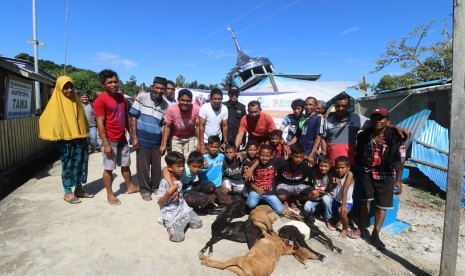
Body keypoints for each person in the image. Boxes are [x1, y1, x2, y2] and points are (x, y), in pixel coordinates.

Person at [351, 107, 404, 248]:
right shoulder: (364, 135)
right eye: (374, 117)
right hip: (368, 172)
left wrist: (398, 180)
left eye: (381, 118)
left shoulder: (395, 136)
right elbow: (358, 155)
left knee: (382, 205)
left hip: (386, 174)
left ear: (388, 120)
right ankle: (361, 228)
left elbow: (400, 158)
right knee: (365, 201)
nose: (378, 120)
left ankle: (375, 233)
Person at [39, 76, 93, 204]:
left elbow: (82, 120)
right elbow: (45, 120)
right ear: (59, 88)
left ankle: (79, 189)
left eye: (71, 87)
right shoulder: (55, 103)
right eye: (65, 87)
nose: (69, 90)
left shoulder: (77, 101)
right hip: (65, 141)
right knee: (68, 166)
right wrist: (57, 133)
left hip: (80, 138)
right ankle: (67, 192)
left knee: (81, 164)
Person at [93, 69, 139, 206]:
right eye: (110, 82)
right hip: (109, 139)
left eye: (115, 81)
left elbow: (125, 118)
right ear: (103, 85)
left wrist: (131, 134)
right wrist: (106, 144)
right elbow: (100, 123)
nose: (114, 84)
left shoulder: (122, 99)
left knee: (126, 164)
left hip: (121, 138)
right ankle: (109, 194)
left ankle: (130, 186)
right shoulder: (100, 101)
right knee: (109, 167)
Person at [129, 76, 168, 201]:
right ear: (153, 87)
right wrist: (134, 137)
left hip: (156, 140)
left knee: (156, 167)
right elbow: (133, 117)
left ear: (165, 89)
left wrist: (163, 143)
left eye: (162, 88)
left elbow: (164, 126)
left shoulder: (165, 105)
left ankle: (155, 187)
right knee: (143, 167)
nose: (159, 90)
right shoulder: (142, 97)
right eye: (157, 87)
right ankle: (145, 190)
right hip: (142, 138)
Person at [156, 152, 202, 242]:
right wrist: (170, 191)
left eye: (182, 166)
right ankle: (166, 222)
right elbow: (160, 202)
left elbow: (167, 168)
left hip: (182, 208)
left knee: (198, 224)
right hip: (171, 212)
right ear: (170, 168)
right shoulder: (164, 182)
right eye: (179, 166)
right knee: (178, 238)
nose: (181, 169)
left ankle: (181, 221)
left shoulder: (179, 175)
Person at [160, 89, 199, 161]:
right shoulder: (171, 109)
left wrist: (199, 143)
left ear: (191, 101)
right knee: (178, 161)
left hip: (190, 138)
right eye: (182, 100)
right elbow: (167, 127)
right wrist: (164, 144)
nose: (185, 103)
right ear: (178, 100)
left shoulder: (196, 109)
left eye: (188, 101)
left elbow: (198, 126)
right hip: (175, 138)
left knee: (189, 161)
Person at [245, 144, 284, 215]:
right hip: (256, 191)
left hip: (269, 192)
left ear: (271, 156)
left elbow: (288, 156)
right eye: (262, 155)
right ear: (258, 155)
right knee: (251, 204)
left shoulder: (274, 162)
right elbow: (247, 181)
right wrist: (256, 188)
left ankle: (263, 208)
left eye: (267, 156)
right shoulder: (253, 164)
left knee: (280, 210)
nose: (264, 158)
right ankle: (257, 207)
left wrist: (285, 145)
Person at [303, 155, 336, 230]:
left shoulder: (332, 175)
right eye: (321, 166)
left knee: (326, 199)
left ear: (330, 166)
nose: (323, 168)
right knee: (307, 208)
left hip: (327, 197)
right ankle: (321, 210)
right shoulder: (314, 172)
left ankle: (328, 218)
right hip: (317, 197)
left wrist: (324, 192)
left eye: (325, 166)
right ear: (318, 165)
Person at [288, 97, 321, 166]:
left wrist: (311, 155)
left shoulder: (318, 118)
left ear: (315, 106)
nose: (308, 107)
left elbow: (318, 138)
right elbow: (297, 136)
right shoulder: (301, 118)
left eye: (310, 104)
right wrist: (286, 145)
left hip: (310, 154)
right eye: (306, 104)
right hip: (300, 153)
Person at [199, 135, 231, 205]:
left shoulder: (221, 156)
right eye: (211, 146)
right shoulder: (203, 158)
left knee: (228, 201)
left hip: (218, 185)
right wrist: (204, 167)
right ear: (208, 146)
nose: (213, 149)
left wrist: (239, 154)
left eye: (216, 147)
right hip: (207, 186)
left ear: (219, 147)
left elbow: (231, 155)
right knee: (208, 201)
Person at [331, 156, 355, 238]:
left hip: (346, 201)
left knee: (343, 213)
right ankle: (339, 221)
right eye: (337, 168)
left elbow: (345, 189)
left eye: (342, 167)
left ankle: (345, 229)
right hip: (337, 200)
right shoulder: (337, 174)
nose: (339, 170)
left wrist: (343, 206)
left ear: (348, 167)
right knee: (336, 222)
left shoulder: (349, 174)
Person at [198, 88, 228, 153]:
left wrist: (225, 142)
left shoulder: (224, 108)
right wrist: (201, 144)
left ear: (222, 99)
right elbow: (201, 126)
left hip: (217, 142)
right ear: (210, 98)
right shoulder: (204, 107)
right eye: (215, 99)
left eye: (219, 99)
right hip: (206, 141)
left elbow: (224, 126)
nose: (217, 101)